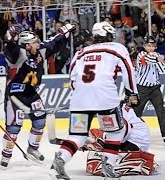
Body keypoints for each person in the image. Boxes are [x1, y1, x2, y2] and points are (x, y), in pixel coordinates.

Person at [49, 21, 139, 180]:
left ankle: (61, 159)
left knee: (77, 136)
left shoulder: (81, 52)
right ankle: (108, 165)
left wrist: (81, 96)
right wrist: (132, 92)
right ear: (108, 34)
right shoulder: (116, 48)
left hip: (80, 100)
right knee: (115, 131)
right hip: (105, 98)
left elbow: (73, 78)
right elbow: (128, 69)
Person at [1, 23, 74, 167]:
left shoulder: (40, 51)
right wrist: (9, 38)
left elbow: (53, 43)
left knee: (40, 120)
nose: (38, 44)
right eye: (34, 42)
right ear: (27, 46)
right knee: (14, 127)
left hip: (31, 93)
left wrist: (65, 32)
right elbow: (10, 50)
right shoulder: (18, 53)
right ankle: (5, 156)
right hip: (15, 95)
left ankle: (32, 149)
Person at [84, 101, 157, 176]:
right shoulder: (116, 107)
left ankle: (123, 160)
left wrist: (102, 141)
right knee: (101, 137)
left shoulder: (114, 110)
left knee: (98, 136)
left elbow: (123, 132)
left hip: (135, 143)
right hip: (138, 141)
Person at [133, 35, 165, 144]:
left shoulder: (157, 55)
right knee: (137, 112)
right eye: (149, 45)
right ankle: (132, 132)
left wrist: (158, 59)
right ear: (144, 46)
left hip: (155, 88)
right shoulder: (141, 55)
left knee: (161, 111)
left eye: (153, 46)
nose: (151, 48)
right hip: (142, 88)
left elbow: (162, 69)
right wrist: (158, 59)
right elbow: (148, 60)